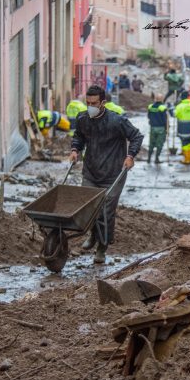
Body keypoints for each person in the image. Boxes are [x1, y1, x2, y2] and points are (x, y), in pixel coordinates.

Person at [70, 85, 143, 264]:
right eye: (88, 103)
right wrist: (75, 149)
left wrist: (130, 156)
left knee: (105, 211)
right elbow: (79, 136)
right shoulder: (82, 118)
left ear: (103, 102)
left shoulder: (116, 121)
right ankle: (94, 235)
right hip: (91, 171)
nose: (90, 106)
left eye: (94, 103)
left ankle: (102, 248)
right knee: (88, 207)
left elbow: (136, 136)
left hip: (113, 173)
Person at [147, 93, 168, 164]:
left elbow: (148, 116)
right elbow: (165, 120)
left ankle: (149, 159)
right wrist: (166, 129)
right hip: (161, 128)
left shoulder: (150, 107)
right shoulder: (163, 108)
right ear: (162, 99)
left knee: (151, 143)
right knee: (159, 144)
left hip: (152, 127)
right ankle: (156, 159)